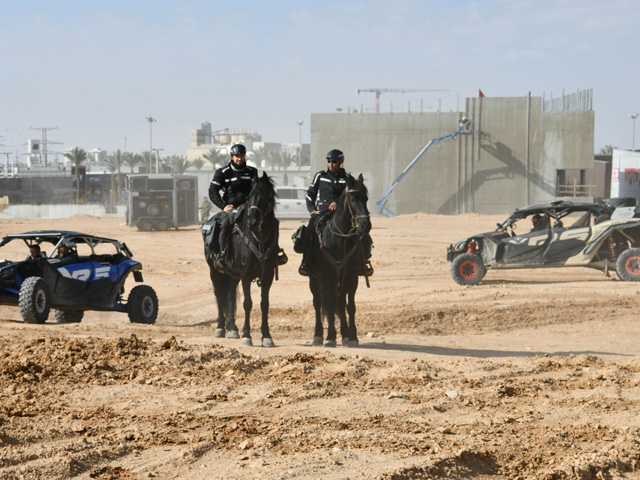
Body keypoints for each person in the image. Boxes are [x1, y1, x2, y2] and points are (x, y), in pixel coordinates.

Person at [208, 144, 286, 272]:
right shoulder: (222, 173)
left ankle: (275, 252)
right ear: (232, 157)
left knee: (272, 222)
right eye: (237, 156)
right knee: (226, 224)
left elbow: (255, 191)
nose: (239, 159)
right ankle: (222, 255)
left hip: (249, 208)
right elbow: (212, 191)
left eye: (242, 156)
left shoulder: (252, 171)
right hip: (231, 209)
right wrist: (223, 206)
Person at [298, 149, 374, 277]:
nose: (331, 164)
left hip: (342, 214)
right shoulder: (320, 176)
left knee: (363, 235)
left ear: (341, 162)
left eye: (334, 161)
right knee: (308, 232)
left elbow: (352, 196)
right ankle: (306, 262)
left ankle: (363, 263)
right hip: (321, 212)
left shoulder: (348, 179)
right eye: (329, 161)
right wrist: (312, 210)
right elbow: (310, 194)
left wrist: (337, 202)